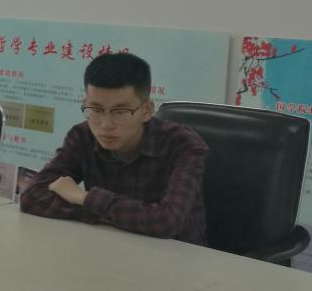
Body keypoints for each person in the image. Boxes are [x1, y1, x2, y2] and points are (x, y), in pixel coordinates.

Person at [19, 52, 209, 245]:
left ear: (146, 110)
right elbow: (32, 197)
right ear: (85, 104)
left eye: (120, 112)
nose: (105, 125)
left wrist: (84, 197)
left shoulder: (183, 144)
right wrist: (102, 214)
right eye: (96, 110)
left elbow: (166, 222)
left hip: (178, 255)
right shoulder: (83, 136)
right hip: (108, 246)